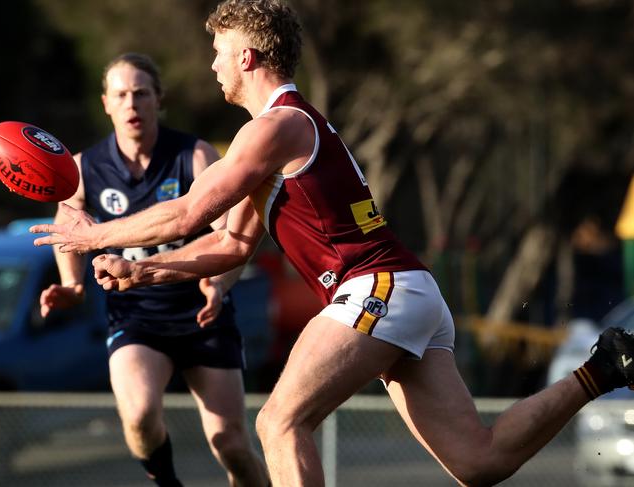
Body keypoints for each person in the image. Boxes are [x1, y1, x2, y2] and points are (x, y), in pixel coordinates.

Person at [31, 2, 634, 486]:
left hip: (375, 289)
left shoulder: (278, 124)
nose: (212, 66)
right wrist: (144, 273)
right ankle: (602, 370)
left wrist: (91, 234)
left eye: (218, 54)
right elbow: (231, 244)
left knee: (278, 421)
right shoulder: (275, 131)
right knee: (479, 463)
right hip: (407, 289)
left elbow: (191, 208)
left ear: (247, 55)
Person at [36, 52, 268, 487]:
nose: (131, 104)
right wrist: (71, 285)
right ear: (105, 102)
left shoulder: (194, 156)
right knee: (140, 415)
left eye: (141, 93)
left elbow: (231, 238)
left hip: (204, 313)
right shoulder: (84, 168)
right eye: (121, 94)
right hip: (137, 314)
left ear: (158, 99)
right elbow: (66, 222)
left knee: (231, 445)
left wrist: (218, 283)